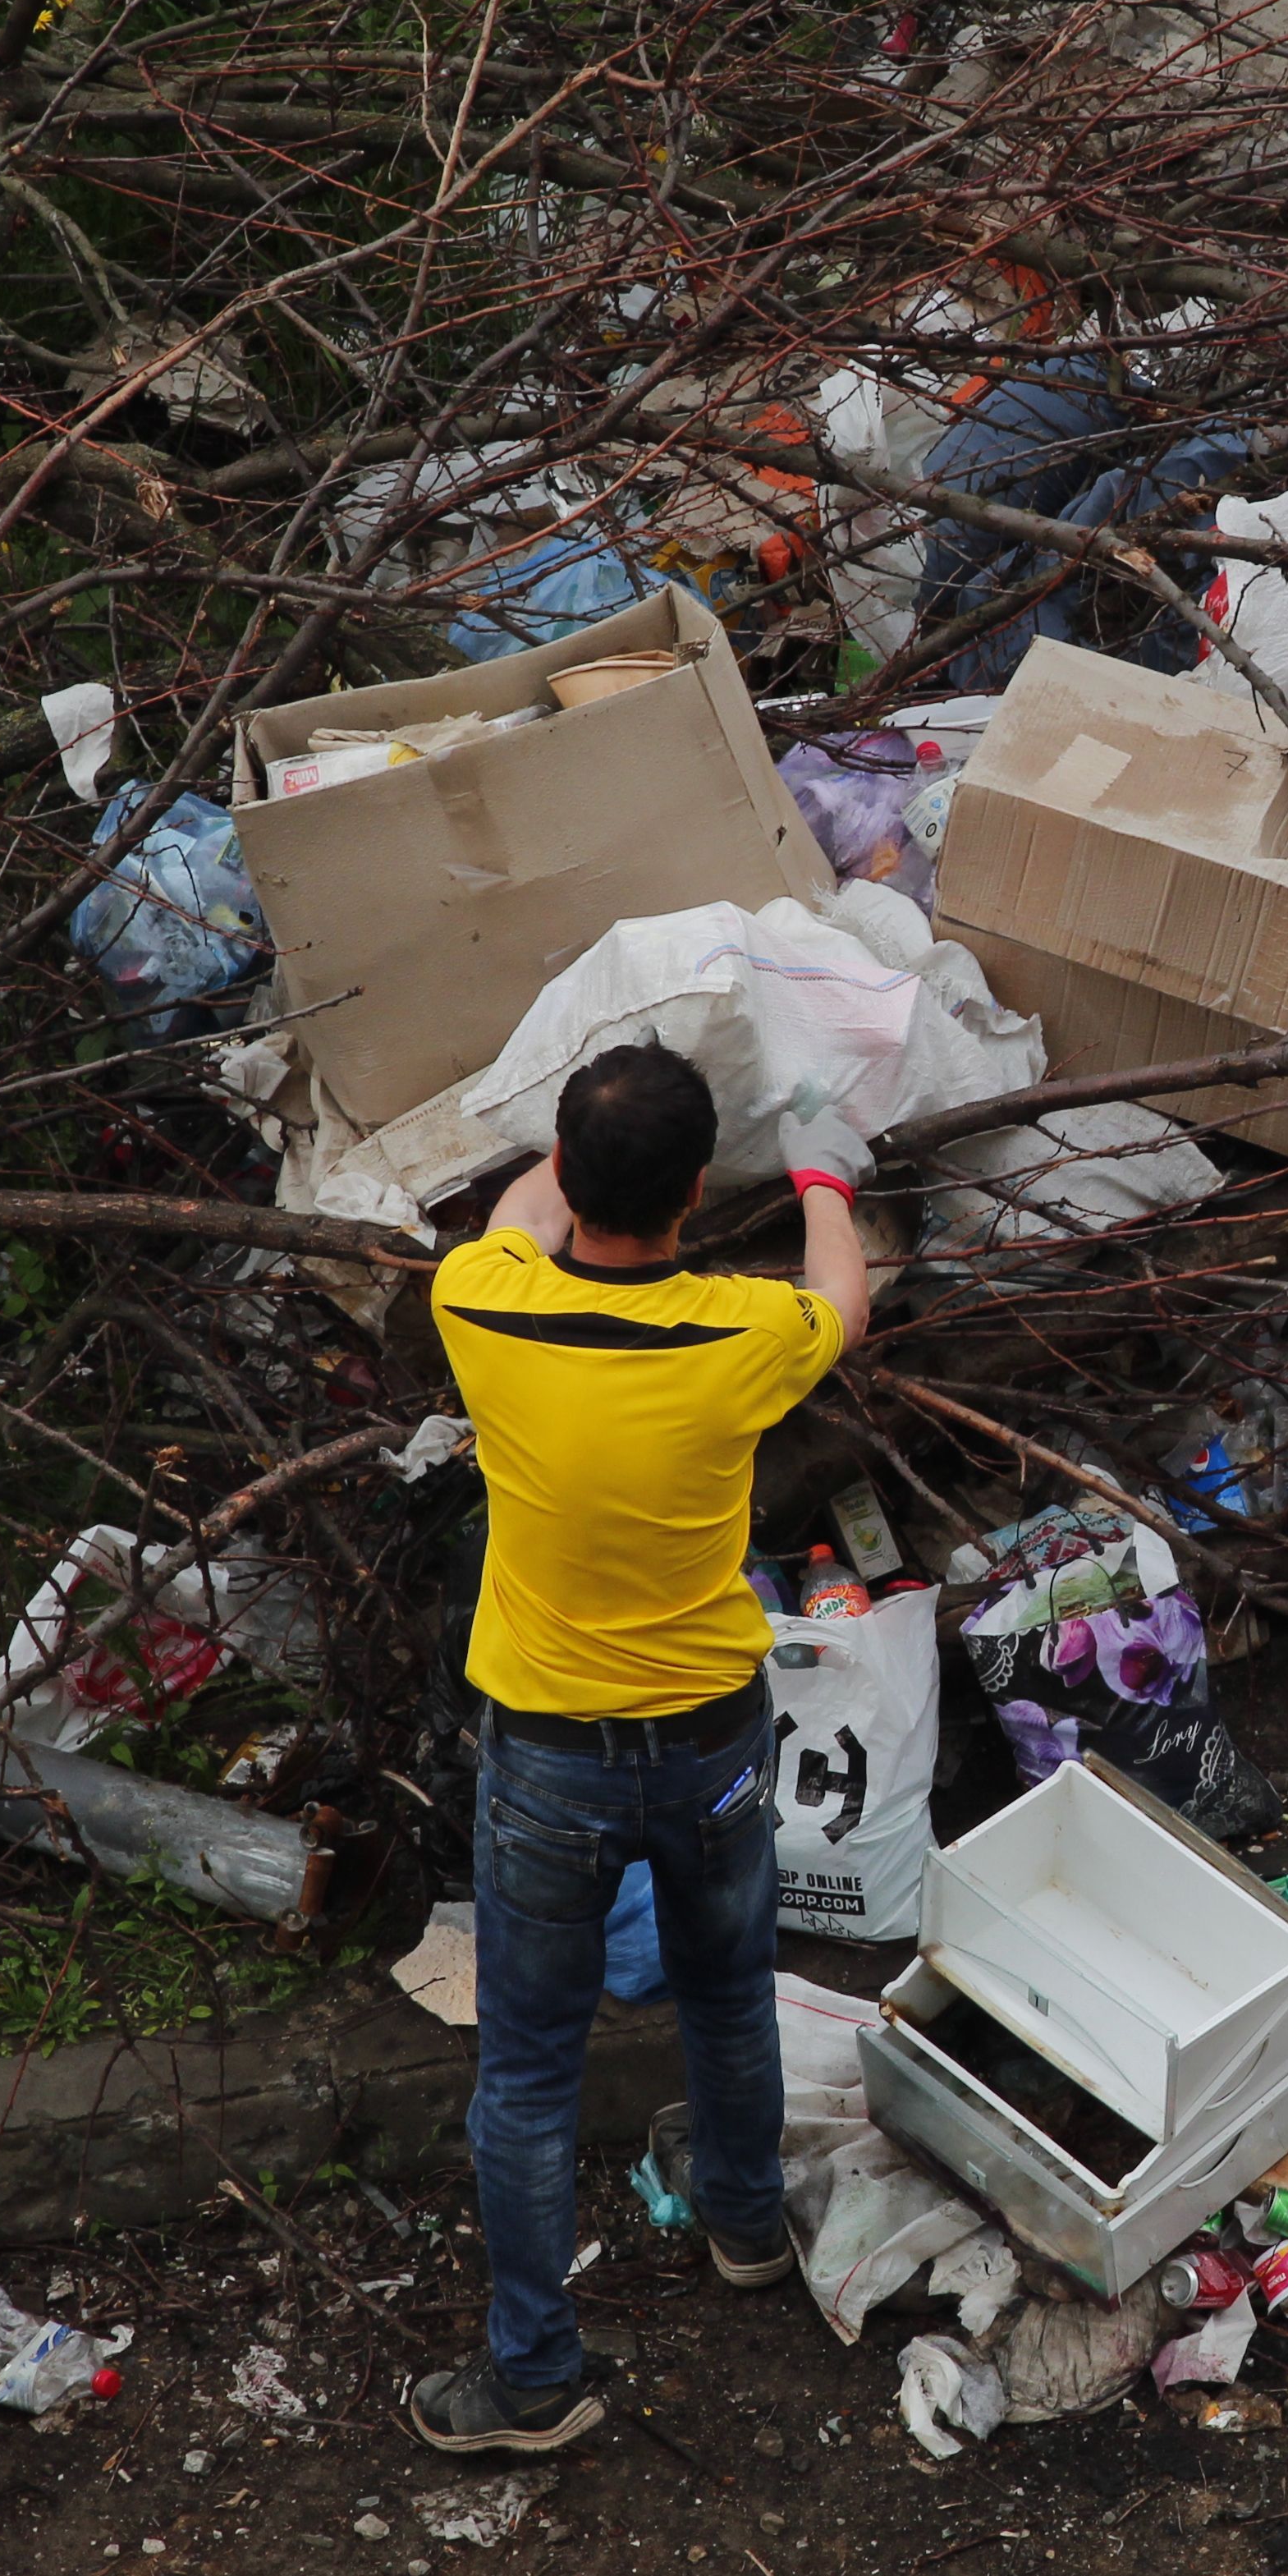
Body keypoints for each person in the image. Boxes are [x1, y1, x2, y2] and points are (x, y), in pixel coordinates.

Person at [404, 1041, 872, 2454]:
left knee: (532, 2068)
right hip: (715, 1747)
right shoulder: (737, 1336)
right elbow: (842, 1293)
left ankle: (533, 2378)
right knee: (729, 2000)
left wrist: (575, 1140)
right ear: (689, 1196)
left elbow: (513, 1223)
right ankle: (745, 2231)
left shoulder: (484, 1309)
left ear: (568, 1171)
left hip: (548, 1760)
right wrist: (820, 1168)